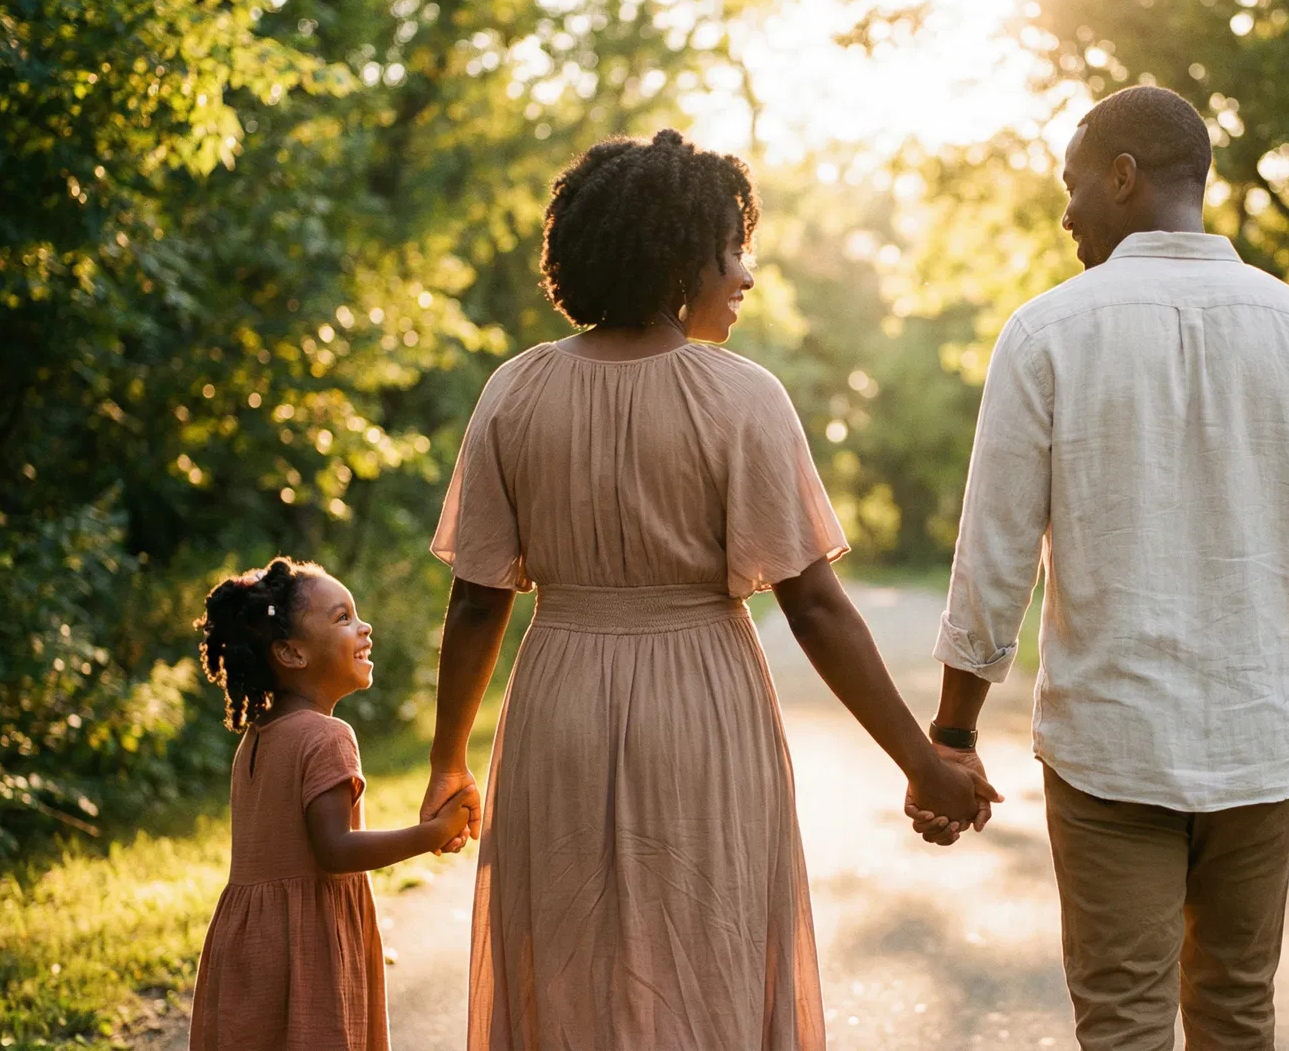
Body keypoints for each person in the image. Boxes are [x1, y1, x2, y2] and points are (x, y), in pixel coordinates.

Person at [417, 128, 998, 1051]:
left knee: (569, 956)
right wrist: (922, 763)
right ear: (682, 256)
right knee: (708, 952)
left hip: (556, 704)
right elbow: (812, 604)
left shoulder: (513, 391)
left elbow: (477, 600)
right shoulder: (742, 397)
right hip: (702, 705)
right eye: (734, 248)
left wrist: (449, 762)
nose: (747, 272)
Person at [906, 85, 1289, 1051]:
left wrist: (955, 732)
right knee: (1235, 1013)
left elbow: (994, 556)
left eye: (1074, 185)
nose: (1067, 213)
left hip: (1110, 751)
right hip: (1258, 746)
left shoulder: (1047, 332)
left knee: (1123, 1024)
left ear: (1124, 177)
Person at [187, 557, 472, 1051]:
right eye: (342, 618)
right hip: (307, 945)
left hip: (248, 942)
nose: (364, 628)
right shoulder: (328, 737)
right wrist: (431, 833)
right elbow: (335, 850)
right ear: (291, 653)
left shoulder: (257, 738)